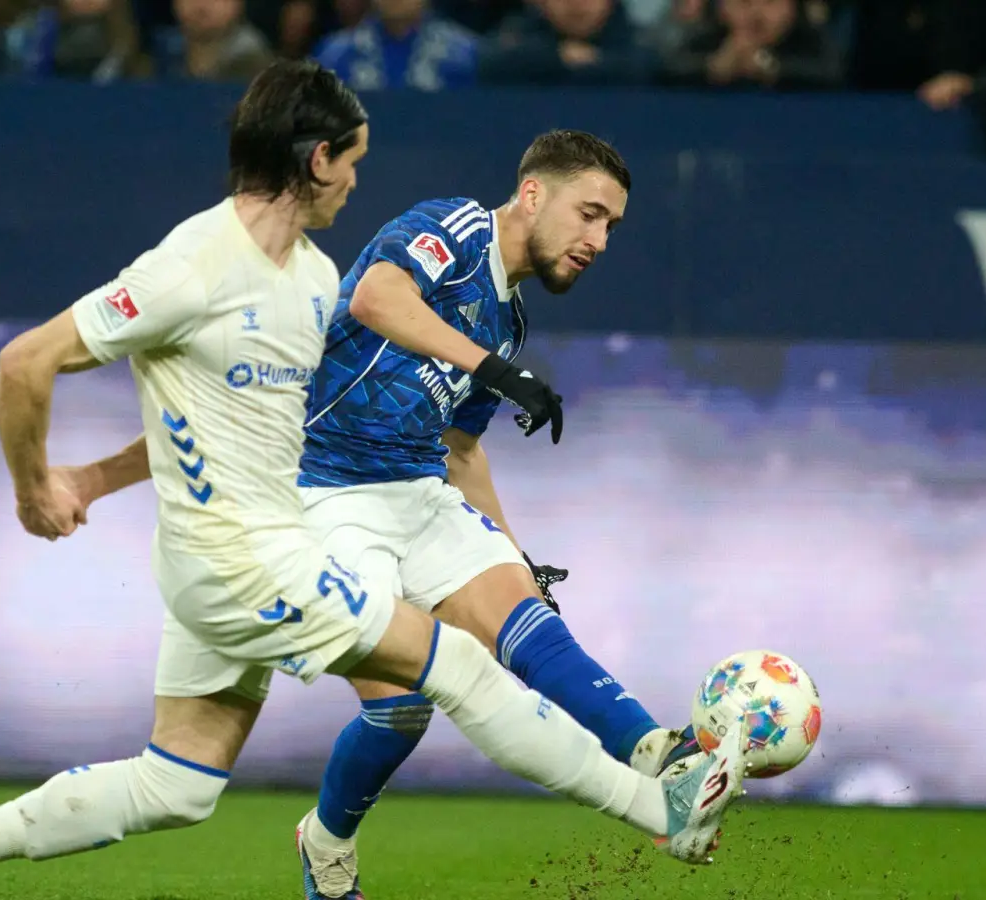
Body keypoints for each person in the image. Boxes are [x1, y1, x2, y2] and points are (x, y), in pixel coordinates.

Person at [0, 61, 747, 900]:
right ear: (316, 159)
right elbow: (24, 364)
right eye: (350, 162)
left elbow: (225, 416)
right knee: (456, 667)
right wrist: (34, 487)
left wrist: (93, 481)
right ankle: (654, 807)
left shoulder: (308, 278)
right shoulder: (194, 266)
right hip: (255, 559)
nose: (356, 183)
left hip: (233, 555)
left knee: (176, 783)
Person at [291, 130, 707, 899]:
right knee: (402, 711)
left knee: (527, 620)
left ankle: (659, 755)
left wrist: (519, 558)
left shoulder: (509, 321)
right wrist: (495, 369)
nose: (599, 241)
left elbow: (459, 450)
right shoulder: (453, 229)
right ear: (533, 194)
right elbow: (374, 298)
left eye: (611, 227)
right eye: (589, 215)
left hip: (417, 490)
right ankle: (324, 842)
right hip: (321, 492)